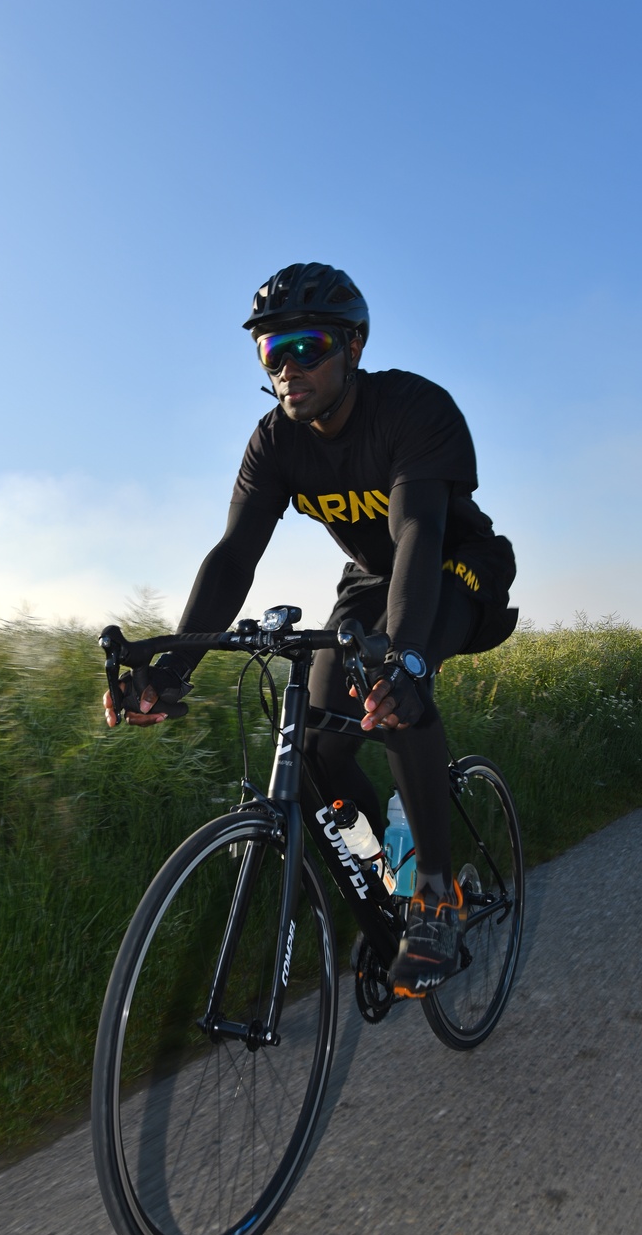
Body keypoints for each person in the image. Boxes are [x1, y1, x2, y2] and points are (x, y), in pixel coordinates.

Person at [104, 262, 517, 997]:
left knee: (396, 692)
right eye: (272, 351)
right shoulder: (274, 443)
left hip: (456, 567)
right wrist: (170, 671)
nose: (290, 367)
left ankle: (434, 889)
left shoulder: (414, 409)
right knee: (323, 746)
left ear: (353, 346)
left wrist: (409, 662)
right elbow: (233, 558)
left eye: (309, 345)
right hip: (370, 583)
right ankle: (385, 869)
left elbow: (417, 530)